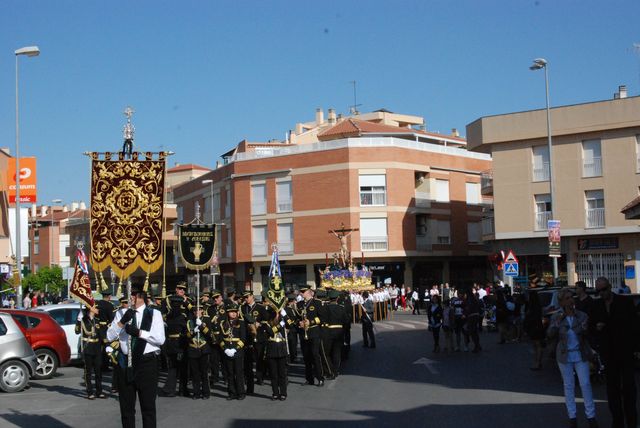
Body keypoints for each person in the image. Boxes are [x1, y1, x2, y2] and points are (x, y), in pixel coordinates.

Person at [107, 285, 166, 428]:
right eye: (130, 294)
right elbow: (109, 336)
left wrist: (139, 333)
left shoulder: (153, 313)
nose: (131, 297)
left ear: (142, 296)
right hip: (126, 363)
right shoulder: (121, 313)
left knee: (148, 407)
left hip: (146, 364)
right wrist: (121, 323)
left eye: (134, 294)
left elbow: (160, 339)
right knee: (126, 408)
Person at [591, 277, 638, 428]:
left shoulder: (624, 303)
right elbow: (590, 328)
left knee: (629, 388)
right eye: (598, 291)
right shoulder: (596, 305)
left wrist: (637, 349)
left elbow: (635, 326)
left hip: (625, 352)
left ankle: (632, 421)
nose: (601, 293)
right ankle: (617, 421)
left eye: (604, 290)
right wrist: (597, 330)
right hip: (608, 354)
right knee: (613, 390)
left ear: (610, 287)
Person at [548, 288, 598, 428]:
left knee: (585, 384)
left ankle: (591, 416)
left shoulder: (581, 315)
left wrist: (585, 328)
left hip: (580, 353)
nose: (571, 300)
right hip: (564, 355)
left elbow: (587, 333)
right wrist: (557, 324)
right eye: (568, 298)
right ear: (562, 301)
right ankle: (572, 417)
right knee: (568, 385)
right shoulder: (557, 316)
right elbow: (549, 335)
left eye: (572, 297)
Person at [76, 305, 105, 399]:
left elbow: (101, 334)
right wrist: (78, 321)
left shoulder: (97, 320)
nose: (97, 309)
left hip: (97, 348)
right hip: (88, 347)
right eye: (95, 307)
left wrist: (106, 344)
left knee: (98, 371)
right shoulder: (83, 320)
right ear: (90, 309)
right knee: (88, 371)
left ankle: (99, 391)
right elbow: (77, 331)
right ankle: (89, 392)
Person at [298, 286, 325, 386]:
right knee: (306, 357)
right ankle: (309, 378)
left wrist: (311, 322)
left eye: (303, 291)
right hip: (303, 334)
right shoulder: (299, 304)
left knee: (315, 355)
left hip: (314, 332)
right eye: (301, 291)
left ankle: (320, 377)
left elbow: (322, 317)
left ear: (309, 292)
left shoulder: (317, 303)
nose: (301, 293)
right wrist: (299, 323)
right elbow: (297, 317)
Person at [218, 303, 246, 400]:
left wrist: (235, 349)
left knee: (238, 373)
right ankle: (232, 393)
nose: (233, 314)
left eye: (235, 312)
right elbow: (220, 339)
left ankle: (241, 392)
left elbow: (243, 339)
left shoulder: (241, 323)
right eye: (231, 312)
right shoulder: (223, 323)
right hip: (227, 351)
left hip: (237, 351)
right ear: (227, 313)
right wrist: (225, 349)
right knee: (229, 373)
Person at [186, 308, 212, 400]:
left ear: (202, 311)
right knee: (195, 373)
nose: (197, 312)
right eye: (195, 310)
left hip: (204, 349)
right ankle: (196, 393)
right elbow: (187, 335)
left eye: (199, 310)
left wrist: (201, 326)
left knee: (204, 373)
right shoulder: (189, 321)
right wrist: (193, 331)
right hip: (193, 349)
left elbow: (210, 334)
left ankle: (206, 393)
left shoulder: (207, 320)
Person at [265, 307, 288, 400]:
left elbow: (291, 324)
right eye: (276, 314)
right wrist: (280, 325)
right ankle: (275, 392)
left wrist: (285, 316)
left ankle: (283, 393)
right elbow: (270, 332)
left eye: (279, 313)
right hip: (272, 349)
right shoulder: (267, 323)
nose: (278, 315)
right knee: (273, 374)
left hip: (281, 349)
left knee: (282, 373)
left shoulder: (283, 321)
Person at [523, 291, 545, 370]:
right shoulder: (533, 306)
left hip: (535, 327)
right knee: (536, 345)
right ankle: (537, 361)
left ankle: (537, 362)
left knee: (537, 345)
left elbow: (533, 317)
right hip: (535, 327)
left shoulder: (534, 307)